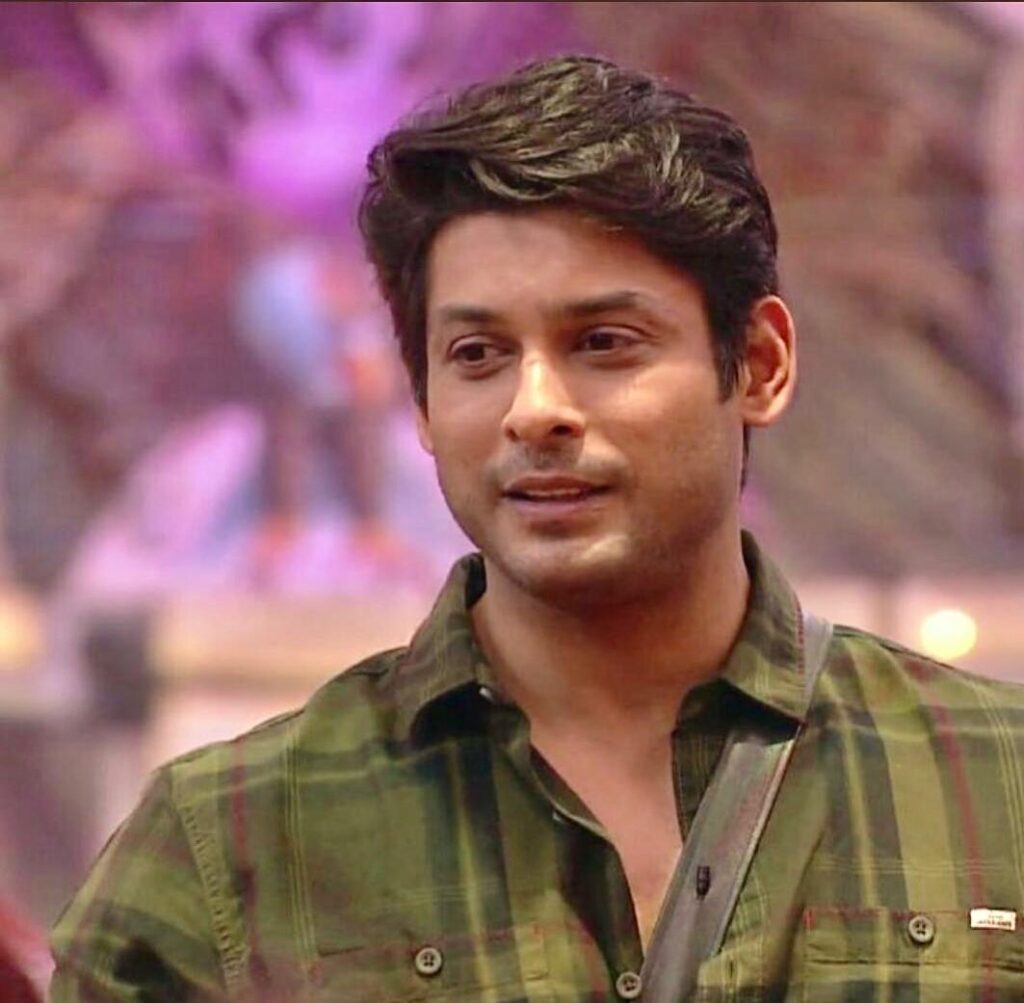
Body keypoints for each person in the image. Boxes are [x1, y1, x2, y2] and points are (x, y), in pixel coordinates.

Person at [50, 55, 1024, 1002]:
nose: (535, 409)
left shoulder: (993, 782)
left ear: (759, 364)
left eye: (603, 342)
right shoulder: (229, 849)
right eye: (478, 354)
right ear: (422, 404)